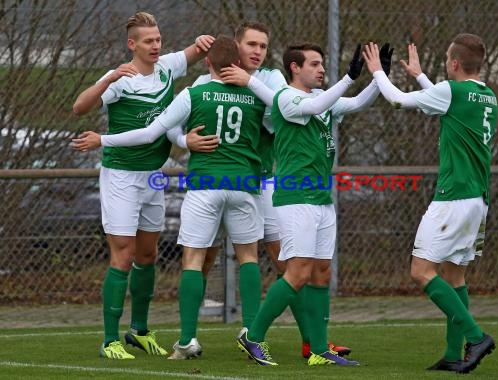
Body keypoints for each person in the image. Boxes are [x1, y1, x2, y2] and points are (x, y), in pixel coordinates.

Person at [73, 35, 270, 360]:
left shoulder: (193, 93)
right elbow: (284, 111)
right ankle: (251, 334)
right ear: (239, 63)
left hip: (205, 184)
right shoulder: (257, 94)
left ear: (208, 64)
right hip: (245, 184)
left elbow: (152, 132)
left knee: (193, 260)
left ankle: (188, 339)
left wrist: (103, 139)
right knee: (248, 257)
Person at [193, 21, 351, 359]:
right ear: (235, 47)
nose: (257, 51)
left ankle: (311, 342)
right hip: (219, 181)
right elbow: (177, 126)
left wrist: (251, 86)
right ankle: (187, 338)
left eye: (263, 46)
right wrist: (186, 138)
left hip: (263, 184)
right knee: (201, 257)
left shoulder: (272, 80)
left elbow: (283, 109)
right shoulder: (204, 83)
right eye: (251, 44)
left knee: (288, 265)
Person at [71, 11, 214, 359]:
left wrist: (206, 42)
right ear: (131, 44)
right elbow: (79, 107)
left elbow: (195, 53)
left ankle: (139, 331)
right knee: (123, 253)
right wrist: (107, 80)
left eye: (158, 39)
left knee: (147, 255)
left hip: (154, 175)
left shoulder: (166, 67)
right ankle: (109, 340)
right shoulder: (120, 77)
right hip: (121, 176)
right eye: (148, 41)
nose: (155, 45)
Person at [236, 42, 381, 366]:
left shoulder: (322, 99)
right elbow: (316, 108)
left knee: (320, 274)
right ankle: (253, 336)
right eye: (314, 64)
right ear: (294, 68)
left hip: (320, 197)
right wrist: (347, 77)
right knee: (298, 272)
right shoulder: (286, 99)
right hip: (295, 197)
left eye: (321, 64)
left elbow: (357, 102)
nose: (320, 69)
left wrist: (377, 76)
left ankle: (318, 349)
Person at [362, 34, 498, 374]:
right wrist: (420, 77)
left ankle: (476, 336)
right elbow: (438, 101)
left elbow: (397, 101)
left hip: (453, 198)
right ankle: (454, 355)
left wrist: (378, 71)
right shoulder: (488, 96)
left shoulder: (452, 92)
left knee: (421, 272)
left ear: (453, 64)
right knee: (455, 275)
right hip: (478, 199)